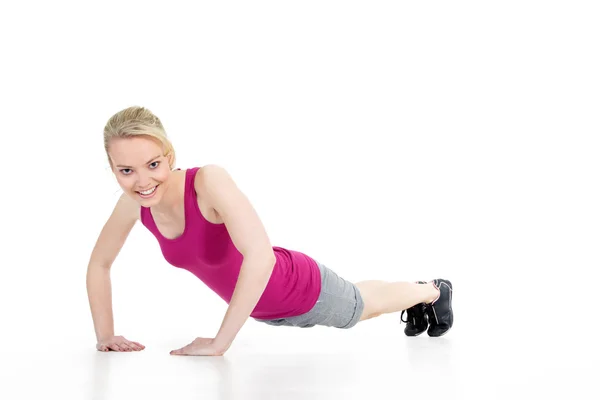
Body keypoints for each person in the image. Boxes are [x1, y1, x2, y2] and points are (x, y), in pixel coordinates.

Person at [86, 106, 454, 356]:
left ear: (169, 155)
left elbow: (259, 257)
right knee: (360, 295)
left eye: (152, 164)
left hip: (297, 288)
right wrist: (106, 336)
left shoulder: (208, 181)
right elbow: (99, 264)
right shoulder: (133, 205)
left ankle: (433, 291)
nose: (143, 181)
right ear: (112, 168)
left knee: (363, 308)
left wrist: (219, 343)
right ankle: (421, 293)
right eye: (126, 171)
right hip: (264, 308)